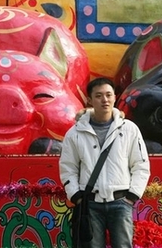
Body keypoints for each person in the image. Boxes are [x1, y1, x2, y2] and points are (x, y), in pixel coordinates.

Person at [59, 77, 151, 248]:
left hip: (121, 202)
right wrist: (76, 196)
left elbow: (141, 165)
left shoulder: (129, 129)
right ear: (89, 100)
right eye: (99, 95)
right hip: (90, 204)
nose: (105, 100)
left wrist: (131, 196)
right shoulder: (75, 133)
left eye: (109, 95)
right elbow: (68, 167)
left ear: (115, 97)